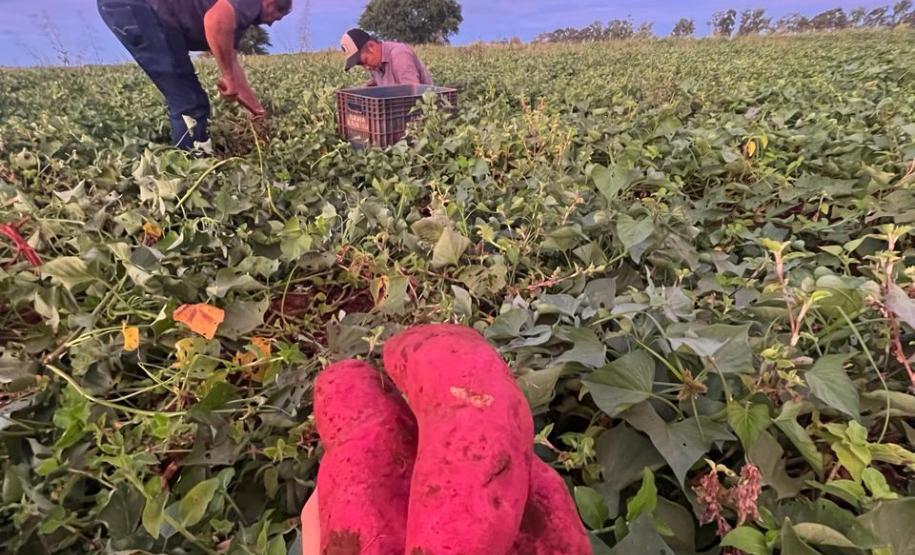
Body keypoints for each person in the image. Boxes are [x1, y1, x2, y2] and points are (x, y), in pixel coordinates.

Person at [97, 0, 292, 150]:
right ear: (270, 2)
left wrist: (257, 112)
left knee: (189, 98)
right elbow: (216, 21)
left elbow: (232, 65)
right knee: (190, 102)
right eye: (277, 16)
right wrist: (227, 76)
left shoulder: (237, 18)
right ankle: (191, 169)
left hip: (138, 12)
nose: (271, 23)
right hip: (138, 9)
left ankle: (190, 158)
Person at [340, 28, 433, 87]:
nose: (366, 68)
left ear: (371, 47)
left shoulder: (399, 55)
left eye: (364, 61)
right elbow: (382, 82)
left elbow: (412, 92)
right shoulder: (375, 64)